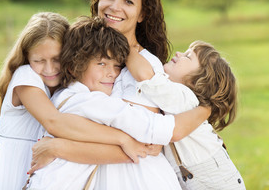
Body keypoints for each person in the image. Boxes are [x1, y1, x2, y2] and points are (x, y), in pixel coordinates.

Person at [29, 0, 210, 189]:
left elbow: (142, 144)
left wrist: (57, 148)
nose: (114, 7)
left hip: (138, 179)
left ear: (142, 13)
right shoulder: (80, 51)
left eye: (128, 1)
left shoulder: (146, 69)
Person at [0, 12, 150, 190]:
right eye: (39, 60)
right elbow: (54, 123)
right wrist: (123, 139)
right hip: (13, 177)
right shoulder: (26, 77)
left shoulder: (68, 92)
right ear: (27, 57)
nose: (49, 69)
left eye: (57, 59)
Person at [26, 16, 183, 189]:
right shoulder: (86, 101)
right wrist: (203, 109)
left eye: (117, 66)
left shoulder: (62, 96)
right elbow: (135, 121)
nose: (111, 73)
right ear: (73, 67)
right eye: (101, 63)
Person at [128, 40, 246, 189]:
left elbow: (145, 75)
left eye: (188, 56)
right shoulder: (180, 102)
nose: (178, 53)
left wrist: (127, 47)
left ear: (196, 81)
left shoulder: (185, 97)